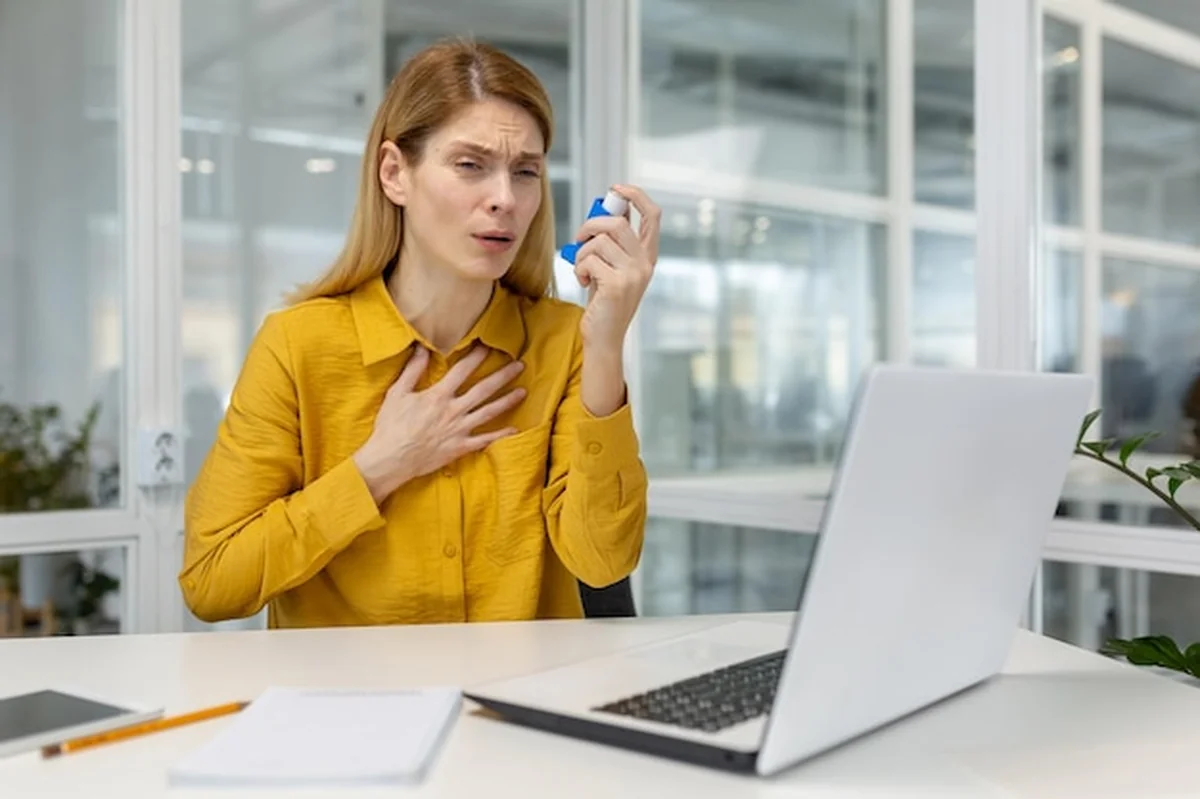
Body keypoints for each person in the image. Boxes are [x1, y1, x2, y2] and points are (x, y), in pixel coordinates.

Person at [179, 38, 659, 628]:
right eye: (470, 165)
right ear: (394, 174)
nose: (505, 199)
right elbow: (211, 580)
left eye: (526, 171)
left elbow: (603, 560)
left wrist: (607, 344)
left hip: (516, 702)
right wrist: (378, 468)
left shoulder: (570, 343)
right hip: (349, 710)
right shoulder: (298, 346)